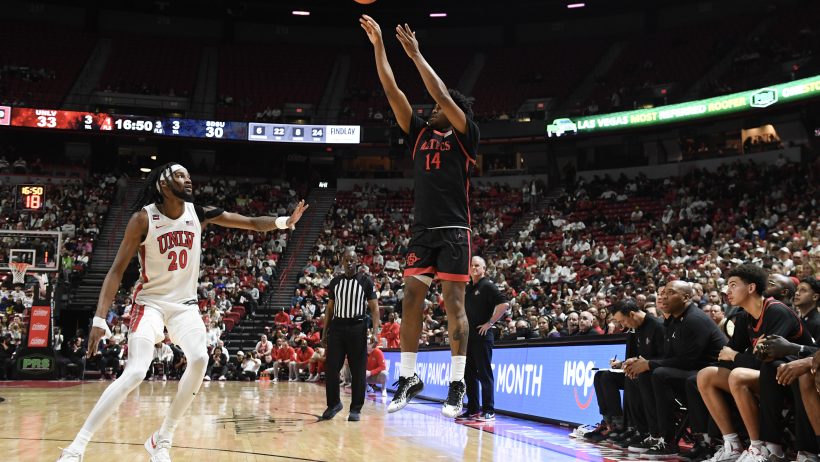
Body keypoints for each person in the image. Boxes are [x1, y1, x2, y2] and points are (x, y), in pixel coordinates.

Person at [57, 162, 308, 462]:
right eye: (179, 176)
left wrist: (284, 222)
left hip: (184, 306)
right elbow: (116, 270)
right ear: (163, 185)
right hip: (149, 303)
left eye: (188, 176)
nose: (187, 180)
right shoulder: (143, 219)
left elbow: (252, 223)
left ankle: (162, 438)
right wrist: (100, 318)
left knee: (200, 358)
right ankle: (76, 447)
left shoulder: (198, 213)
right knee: (135, 371)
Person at [360, 15, 480, 418]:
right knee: (410, 298)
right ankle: (409, 377)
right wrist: (380, 46)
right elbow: (391, 89)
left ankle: (457, 383)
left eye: (439, 108)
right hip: (423, 230)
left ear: (454, 111)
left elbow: (442, 94)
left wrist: (415, 55)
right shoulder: (419, 133)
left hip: (455, 230)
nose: (431, 109)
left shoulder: (465, 133)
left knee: (454, 304)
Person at [698, 264, 812, 462]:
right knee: (706, 375)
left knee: (738, 375)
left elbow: (764, 359)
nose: (727, 291)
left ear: (751, 288)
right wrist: (737, 357)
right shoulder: (744, 316)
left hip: (795, 377)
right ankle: (732, 445)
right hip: (770, 374)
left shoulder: (777, 311)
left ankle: (759, 447)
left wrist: (736, 357)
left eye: (733, 285)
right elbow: (725, 355)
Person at [624, 280, 726, 456]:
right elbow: (669, 356)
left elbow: (688, 361)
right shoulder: (673, 320)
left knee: (659, 374)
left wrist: (649, 364)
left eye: (670, 293)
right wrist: (642, 362)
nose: (663, 297)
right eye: (663, 293)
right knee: (645, 375)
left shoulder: (694, 319)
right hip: (691, 370)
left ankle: (670, 440)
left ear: (686, 297)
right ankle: (656, 435)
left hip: (710, 371)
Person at [583, 298, 665, 444]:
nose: (622, 325)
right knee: (602, 376)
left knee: (632, 377)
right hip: (641, 370)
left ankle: (640, 430)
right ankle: (613, 423)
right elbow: (637, 356)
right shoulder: (635, 327)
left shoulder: (657, 326)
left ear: (632, 314)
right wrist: (624, 363)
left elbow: (665, 357)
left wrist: (642, 363)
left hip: (654, 372)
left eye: (622, 321)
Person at [320, 250, 380, 422]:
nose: (349, 263)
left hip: (357, 327)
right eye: (346, 260)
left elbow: (374, 308)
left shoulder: (365, 281)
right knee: (331, 368)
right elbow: (330, 309)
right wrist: (325, 332)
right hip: (337, 328)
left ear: (357, 261)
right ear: (342, 262)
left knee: (358, 370)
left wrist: (375, 332)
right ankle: (334, 404)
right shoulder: (335, 282)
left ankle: (355, 409)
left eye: (352, 260)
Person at [457, 256, 508, 421]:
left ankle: (489, 410)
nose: (474, 268)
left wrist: (490, 323)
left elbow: (504, 304)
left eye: (477, 265)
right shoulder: (468, 287)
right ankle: (472, 409)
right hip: (469, 337)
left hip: (483, 336)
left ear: (484, 269)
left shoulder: (487, 285)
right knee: (469, 374)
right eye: (472, 265)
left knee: (484, 374)